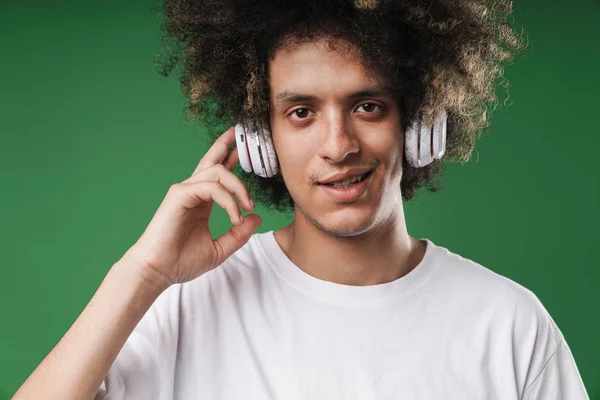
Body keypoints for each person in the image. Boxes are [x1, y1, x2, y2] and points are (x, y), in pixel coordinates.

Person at [14, 0, 590, 399]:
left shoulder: (510, 326)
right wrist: (141, 273)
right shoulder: (185, 304)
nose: (338, 146)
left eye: (368, 106)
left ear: (419, 122)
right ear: (260, 138)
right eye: (301, 112)